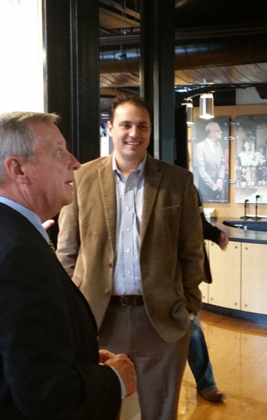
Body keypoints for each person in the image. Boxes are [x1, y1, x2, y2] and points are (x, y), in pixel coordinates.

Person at [0, 112, 136, 420]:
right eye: (59, 152)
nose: (75, 162)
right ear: (18, 168)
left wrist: (80, 358)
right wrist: (114, 379)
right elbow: (46, 396)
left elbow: (19, 356)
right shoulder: (16, 254)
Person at [57, 94, 205, 420]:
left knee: (160, 412)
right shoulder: (81, 178)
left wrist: (190, 306)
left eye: (142, 126)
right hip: (98, 319)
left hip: (162, 323)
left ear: (150, 131)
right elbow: (67, 251)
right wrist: (71, 310)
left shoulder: (178, 181)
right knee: (101, 410)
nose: (133, 133)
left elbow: (192, 251)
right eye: (125, 125)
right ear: (110, 128)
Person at [188, 194, 229, 403]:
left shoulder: (189, 188)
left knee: (192, 328)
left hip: (182, 275)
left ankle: (206, 384)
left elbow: (197, 223)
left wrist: (215, 234)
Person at [192, 121, 226, 202]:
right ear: (212, 133)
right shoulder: (200, 147)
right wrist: (212, 185)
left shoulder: (219, 145)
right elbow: (200, 169)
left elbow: (222, 164)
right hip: (206, 190)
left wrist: (220, 179)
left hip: (219, 188)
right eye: (218, 130)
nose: (221, 132)